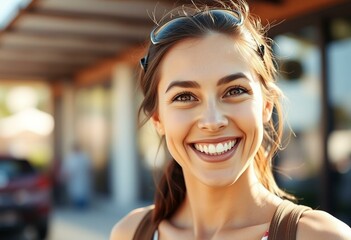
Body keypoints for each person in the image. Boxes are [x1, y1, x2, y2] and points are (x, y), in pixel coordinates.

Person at [110, 0, 351, 239]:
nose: (213, 121)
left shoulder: (319, 236)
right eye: (185, 96)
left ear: (266, 106)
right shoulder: (131, 233)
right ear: (158, 120)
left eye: (235, 91)